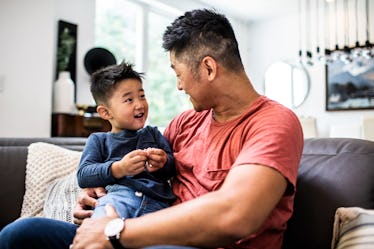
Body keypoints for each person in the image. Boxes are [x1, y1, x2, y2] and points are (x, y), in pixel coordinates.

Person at [0, 8, 303, 249]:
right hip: (138, 231)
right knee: (23, 234)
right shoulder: (186, 123)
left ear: (209, 68)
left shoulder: (273, 122)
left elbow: (236, 215)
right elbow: (137, 162)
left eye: (178, 73)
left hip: (189, 243)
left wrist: (117, 230)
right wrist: (98, 195)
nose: (179, 85)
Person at [76, 61, 175, 219]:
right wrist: (119, 168)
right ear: (106, 113)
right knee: (101, 228)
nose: (140, 104)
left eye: (142, 96)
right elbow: (84, 174)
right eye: (129, 100)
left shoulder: (154, 134)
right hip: (117, 199)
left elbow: (172, 168)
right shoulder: (99, 140)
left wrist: (163, 162)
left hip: (158, 203)